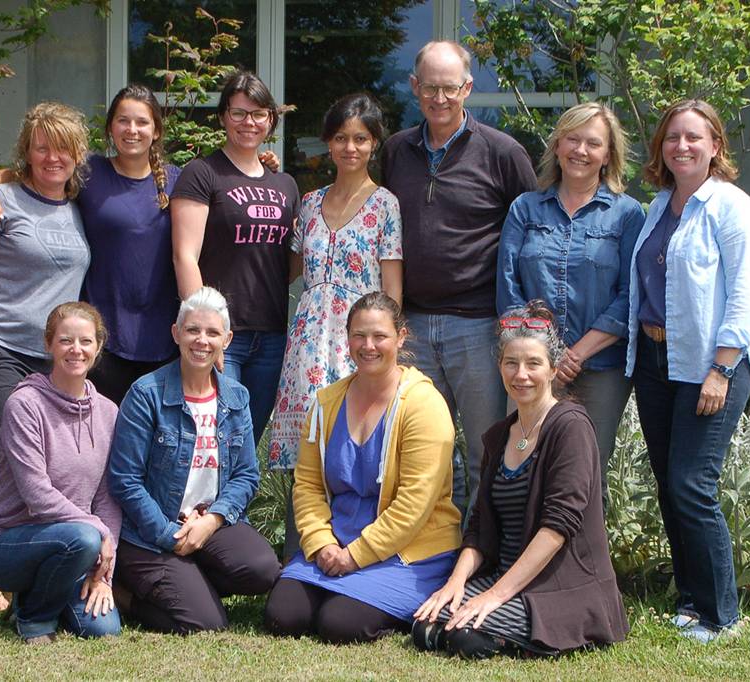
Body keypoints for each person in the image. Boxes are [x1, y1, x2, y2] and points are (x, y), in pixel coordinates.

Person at [413, 301, 628, 659]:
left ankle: (530, 632)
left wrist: (494, 596)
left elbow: (557, 528)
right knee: (425, 625)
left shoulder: (570, 427)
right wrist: (457, 582)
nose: (521, 374)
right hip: (507, 577)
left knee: (464, 635)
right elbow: (480, 526)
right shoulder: (500, 435)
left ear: (554, 368)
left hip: (560, 587)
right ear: (499, 367)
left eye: (533, 364)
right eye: (511, 363)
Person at [626, 99, 750, 643]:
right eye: (671, 138)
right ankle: (690, 599)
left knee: (692, 484)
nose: (681, 146)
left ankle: (722, 614)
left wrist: (722, 369)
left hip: (711, 365)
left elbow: (746, 296)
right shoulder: (660, 205)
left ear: (715, 146)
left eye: (694, 137)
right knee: (668, 484)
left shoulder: (732, 208)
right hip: (657, 361)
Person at [381, 41, 537, 512]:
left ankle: (482, 555)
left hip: (477, 326)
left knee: (485, 449)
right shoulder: (395, 151)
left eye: (450, 87)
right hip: (413, 327)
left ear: (468, 88)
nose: (440, 98)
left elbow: (530, 228)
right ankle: (437, 552)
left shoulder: (502, 152)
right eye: (430, 87)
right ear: (415, 87)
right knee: (427, 453)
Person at [264, 292, 459, 644]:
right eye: (359, 335)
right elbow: (306, 484)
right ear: (347, 337)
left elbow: (415, 503)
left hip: (410, 550)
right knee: (284, 614)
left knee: (340, 624)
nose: (368, 346)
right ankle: (344, 585)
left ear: (401, 337)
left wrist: (354, 557)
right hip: (337, 541)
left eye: (380, 336)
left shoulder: (424, 405)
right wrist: (321, 542)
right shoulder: (326, 402)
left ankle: (393, 600)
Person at [0, 84, 181, 405]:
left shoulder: (176, 181)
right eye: (123, 120)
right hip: (99, 343)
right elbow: (36, 171)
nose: (132, 130)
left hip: (162, 339)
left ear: (156, 131)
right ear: (111, 127)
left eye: (142, 122)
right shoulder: (92, 172)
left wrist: (261, 167)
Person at [108, 287, 282, 634]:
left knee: (263, 569)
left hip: (205, 522)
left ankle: (190, 582)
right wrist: (170, 534)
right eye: (192, 330)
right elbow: (124, 480)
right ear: (176, 333)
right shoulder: (147, 394)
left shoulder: (235, 396)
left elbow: (247, 474)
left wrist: (213, 520)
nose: (202, 340)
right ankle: (124, 594)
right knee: (205, 623)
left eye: (212, 332)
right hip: (150, 532)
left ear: (227, 340)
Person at [497, 102, 645, 509]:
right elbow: (509, 293)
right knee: (523, 470)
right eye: (573, 139)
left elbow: (630, 296)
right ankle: (520, 565)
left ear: (608, 154)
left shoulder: (628, 215)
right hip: (533, 369)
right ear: (558, 146)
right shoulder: (525, 209)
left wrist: (573, 354)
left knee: (585, 476)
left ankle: (579, 570)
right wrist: (544, 356)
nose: (581, 150)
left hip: (600, 369)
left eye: (593, 143)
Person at [0, 302, 122, 644]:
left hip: (71, 547)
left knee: (102, 628)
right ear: (49, 344)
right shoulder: (25, 404)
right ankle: (34, 618)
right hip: (3, 543)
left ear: (98, 348)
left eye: (85, 341)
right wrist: (98, 532)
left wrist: (102, 578)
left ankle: (38, 594)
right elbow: (37, 495)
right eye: (66, 340)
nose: (76, 350)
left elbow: (107, 497)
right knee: (81, 537)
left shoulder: (109, 413)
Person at [268, 93, 403, 472]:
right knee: (309, 454)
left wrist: (389, 345)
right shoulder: (309, 202)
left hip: (358, 339)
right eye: (341, 137)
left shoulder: (385, 204)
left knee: (354, 444)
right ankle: (306, 529)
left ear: (373, 143)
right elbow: (290, 268)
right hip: (309, 340)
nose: (350, 147)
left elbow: (392, 290)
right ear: (328, 142)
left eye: (360, 138)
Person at [0, 101, 91, 468]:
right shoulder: (4, 202)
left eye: (62, 148)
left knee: (54, 465)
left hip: (58, 360)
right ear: (27, 153)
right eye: (41, 147)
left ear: (78, 154)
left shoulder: (81, 206)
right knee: (11, 462)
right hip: (1, 349)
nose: (52, 157)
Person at [171, 71, 300, 447]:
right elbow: (184, 256)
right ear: (224, 116)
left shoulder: (285, 184)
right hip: (226, 336)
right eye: (239, 113)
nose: (249, 122)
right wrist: (205, 333)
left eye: (259, 114)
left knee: (244, 442)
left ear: (270, 120)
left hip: (272, 335)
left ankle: (230, 507)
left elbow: (285, 263)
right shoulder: (203, 173)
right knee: (211, 438)